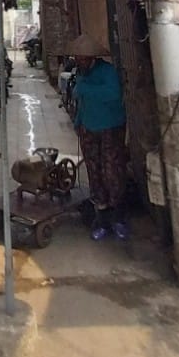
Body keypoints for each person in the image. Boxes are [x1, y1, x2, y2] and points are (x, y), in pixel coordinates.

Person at [71, 52, 129, 240]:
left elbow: (113, 94)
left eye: (82, 58)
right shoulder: (81, 73)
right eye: (77, 58)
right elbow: (83, 102)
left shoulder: (107, 71)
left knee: (112, 172)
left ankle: (118, 218)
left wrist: (85, 89)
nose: (79, 61)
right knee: (94, 172)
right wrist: (78, 121)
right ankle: (102, 219)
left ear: (91, 57)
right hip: (89, 128)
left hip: (110, 127)